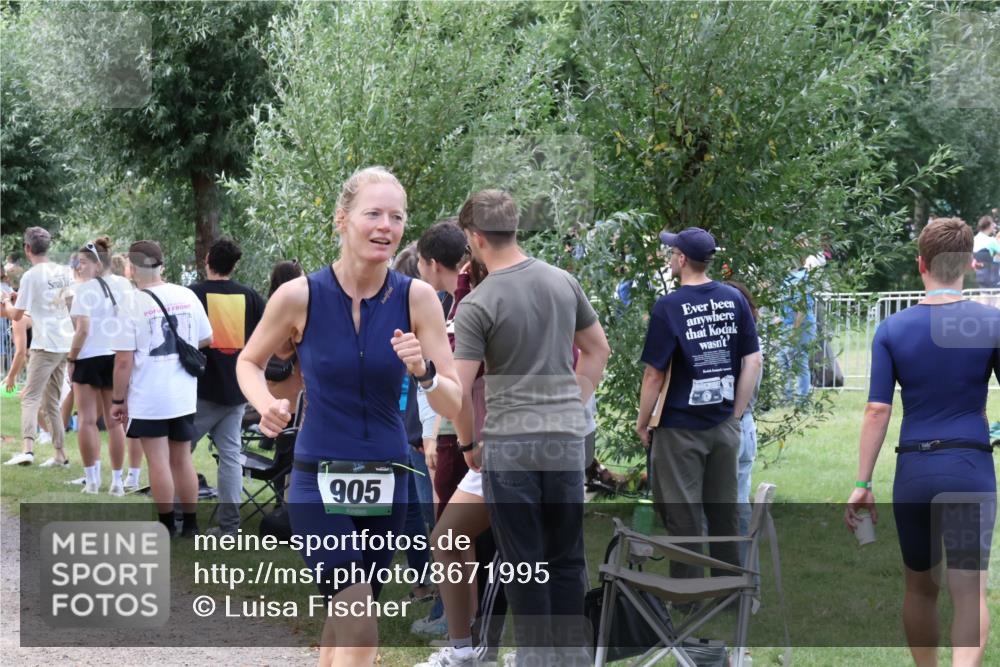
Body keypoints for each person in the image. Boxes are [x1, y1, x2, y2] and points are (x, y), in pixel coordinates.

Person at [236, 166, 461, 667]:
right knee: (358, 610)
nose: (386, 226)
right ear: (342, 220)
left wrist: (424, 373)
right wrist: (265, 403)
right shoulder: (300, 296)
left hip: (389, 476)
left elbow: (453, 401)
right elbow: (248, 362)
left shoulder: (417, 298)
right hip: (318, 478)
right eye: (373, 213)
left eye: (397, 216)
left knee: (349, 609)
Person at [452, 189, 610, 666]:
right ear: (514, 228)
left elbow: (459, 390)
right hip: (564, 442)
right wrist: (570, 401)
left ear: (475, 238)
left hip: (510, 445)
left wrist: (466, 442)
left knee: (523, 563)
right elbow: (598, 350)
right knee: (566, 558)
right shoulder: (563, 281)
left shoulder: (478, 304)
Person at [845, 217, 996, 667]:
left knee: (919, 587)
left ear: (921, 264)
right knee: (969, 590)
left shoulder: (892, 330)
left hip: (915, 473)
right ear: (969, 263)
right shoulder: (991, 323)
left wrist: (863, 482)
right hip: (970, 469)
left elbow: (877, 410)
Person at [635, 227, 762, 581]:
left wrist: (642, 423)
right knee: (724, 514)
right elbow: (753, 361)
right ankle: (729, 590)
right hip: (723, 427)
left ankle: (688, 599)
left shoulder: (669, 306)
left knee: (684, 516)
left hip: (679, 429)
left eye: (671, 251)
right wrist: (735, 414)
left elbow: (654, 376)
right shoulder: (733, 299)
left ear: (681, 259)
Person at [110, 240, 213, 537]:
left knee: (157, 461)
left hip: (149, 395)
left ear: (131, 268)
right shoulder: (187, 294)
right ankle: (191, 525)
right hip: (183, 392)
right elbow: (207, 338)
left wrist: (118, 400)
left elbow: (123, 360)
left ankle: (166, 524)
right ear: (161, 265)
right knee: (182, 459)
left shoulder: (130, 304)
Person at [188, 237, 266, 535]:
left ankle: (179, 515)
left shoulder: (192, 294)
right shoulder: (250, 296)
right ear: (235, 265)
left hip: (201, 388)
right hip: (236, 390)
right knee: (231, 457)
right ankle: (230, 526)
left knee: (180, 451)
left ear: (207, 259)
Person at [2, 227, 75, 467]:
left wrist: (4, 302)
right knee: (52, 401)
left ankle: (27, 450)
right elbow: (67, 303)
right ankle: (60, 454)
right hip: (65, 342)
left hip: (45, 344)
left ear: (27, 248)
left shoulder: (31, 276)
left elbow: (17, 314)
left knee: (30, 397)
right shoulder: (64, 271)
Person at [67, 237, 133, 495]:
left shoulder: (85, 289)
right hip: (116, 355)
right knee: (115, 421)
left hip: (90, 355)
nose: (79, 267)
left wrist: (71, 358)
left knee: (86, 420)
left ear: (97, 263)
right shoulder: (125, 285)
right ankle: (117, 481)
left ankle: (92, 480)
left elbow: (82, 330)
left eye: (83, 262)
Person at [725, 280, 762, 564]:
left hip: (732, 425)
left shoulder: (734, 343)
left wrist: (734, 416)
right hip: (745, 425)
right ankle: (748, 584)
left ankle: (738, 583)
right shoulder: (752, 340)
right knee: (739, 503)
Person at [972, 215, 999, 289]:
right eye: (993, 223)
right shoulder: (991, 241)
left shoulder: (974, 239)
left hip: (979, 276)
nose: (994, 225)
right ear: (989, 226)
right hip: (992, 277)